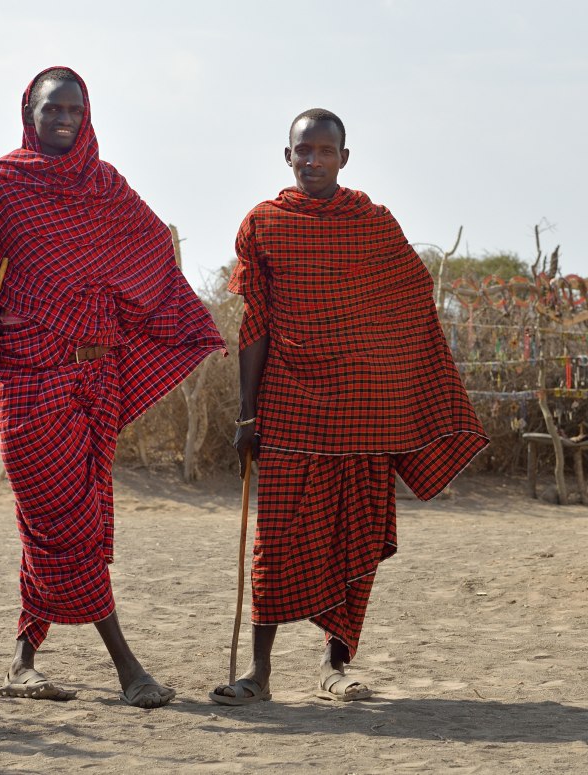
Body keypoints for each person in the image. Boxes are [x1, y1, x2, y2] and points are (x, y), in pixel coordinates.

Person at [0, 66, 225, 708]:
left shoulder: (107, 187)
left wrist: (121, 300)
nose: (64, 119)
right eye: (51, 109)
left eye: (74, 108)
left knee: (71, 526)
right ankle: (127, 668)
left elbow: (153, 245)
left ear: (88, 112)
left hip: (96, 376)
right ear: (29, 113)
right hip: (30, 380)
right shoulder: (2, 186)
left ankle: (22, 661)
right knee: (59, 523)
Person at [210, 109, 488, 705]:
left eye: (324, 151)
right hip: (288, 402)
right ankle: (258, 673)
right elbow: (254, 323)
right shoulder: (263, 225)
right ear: (286, 157)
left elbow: (411, 304)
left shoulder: (375, 225)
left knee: (354, 534)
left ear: (344, 157)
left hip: (365, 411)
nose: (312, 160)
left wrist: (391, 381)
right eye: (302, 150)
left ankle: (337, 663)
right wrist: (246, 413)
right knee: (276, 537)